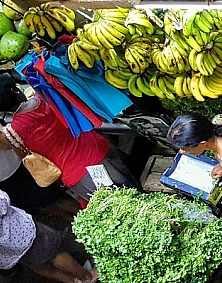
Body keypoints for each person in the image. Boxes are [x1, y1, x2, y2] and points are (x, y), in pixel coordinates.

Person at [0, 77, 139, 203]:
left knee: (122, 207)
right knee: (136, 189)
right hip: (97, 149)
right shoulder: (45, 96)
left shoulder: (12, 134)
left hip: (79, 176)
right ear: (15, 90)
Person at [0, 189, 98, 283]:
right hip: (20, 233)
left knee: (37, 264)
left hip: (7, 253)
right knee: (53, 252)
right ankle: (86, 277)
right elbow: (3, 203)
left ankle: (73, 281)